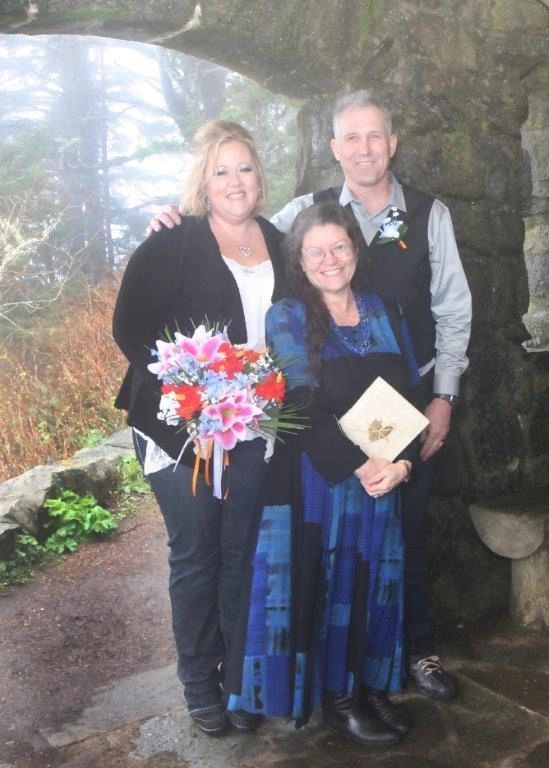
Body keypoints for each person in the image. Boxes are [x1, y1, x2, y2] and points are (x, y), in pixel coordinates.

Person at [148, 90, 472, 700]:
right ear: (334, 149)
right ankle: (309, 683)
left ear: (392, 142)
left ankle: (411, 655)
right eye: (350, 138)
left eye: (374, 136)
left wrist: (441, 398)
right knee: (311, 555)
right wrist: (177, 218)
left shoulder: (429, 215)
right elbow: (240, 214)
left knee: (407, 536)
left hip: (408, 401)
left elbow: (454, 310)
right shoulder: (310, 216)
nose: (363, 149)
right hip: (327, 428)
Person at [223, 201, 424, 745]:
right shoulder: (286, 315)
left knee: (382, 581)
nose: (330, 259)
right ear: (301, 262)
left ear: (355, 251)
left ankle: (374, 687)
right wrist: (362, 465)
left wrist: (402, 462)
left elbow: (410, 396)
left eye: (339, 247)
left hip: (385, 474)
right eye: (316, 251)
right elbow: (302, 404)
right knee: (338, 587)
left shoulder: (386, 310)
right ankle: (340, 701)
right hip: (323, 478)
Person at [112, 120, 286, 737]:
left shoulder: (280, 240)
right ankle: (199, 686)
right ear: (202, 181)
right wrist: (193, 405)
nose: (234, 182)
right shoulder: (172, 241)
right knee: (197, 554)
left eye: (244, 168)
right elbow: (131, 329)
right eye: (221, 170)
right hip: (177, 428)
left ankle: (238, 677)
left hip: (254, 426)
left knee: (242, 553)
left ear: (258, 177)